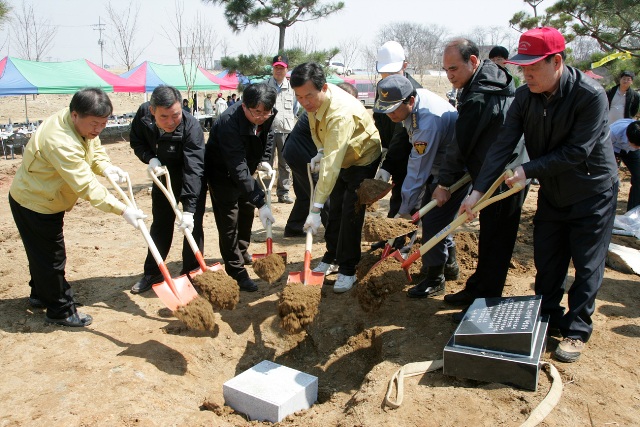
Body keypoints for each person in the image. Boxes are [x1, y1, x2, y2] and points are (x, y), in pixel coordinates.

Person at [459, 27, 619, 363]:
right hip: (553, 192)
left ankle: (576, 329)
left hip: (592, 192)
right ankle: (545, 315)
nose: (525, 74)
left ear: (557, 61)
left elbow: (577, 151)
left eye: (533, 68)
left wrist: (528, 170)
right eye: (522, 67)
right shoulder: (524, 96)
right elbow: (502, 145)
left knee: (587, 265)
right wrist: (476, 192)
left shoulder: (590, 96)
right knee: (548, 260)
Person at [9, 87, 145, 327]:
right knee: (52, 257)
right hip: (35, 202)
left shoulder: (84, 125)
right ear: (75, 115)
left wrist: (106, 167)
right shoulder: (60, 140)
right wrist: (123, 210)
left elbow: (94, 151)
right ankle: (60, 309)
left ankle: (40, 295)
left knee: (41, 252)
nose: (98, 129)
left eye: (103, 124)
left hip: (47, 197)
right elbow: (87, 187)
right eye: (95, 124)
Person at [434, 38, 528, 319]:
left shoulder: (480, 95)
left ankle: (484, 305)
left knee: (497, 242)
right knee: (489, 237)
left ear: (473, 62)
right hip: (490, 171)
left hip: (504, 177)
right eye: (445, 69)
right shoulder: (487, 82)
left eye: (454, 68)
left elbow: (460, 145)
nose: (450, 75)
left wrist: (443, 184)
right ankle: (476, 288)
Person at [290, 62, 381, 293]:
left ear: (323, 87)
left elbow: (332, 164)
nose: (304, 102)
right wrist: (320, 149)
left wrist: (315, 208)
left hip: (362, 157)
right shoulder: (313, 104)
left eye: (308, 96)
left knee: (351, 210)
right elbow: (316, 131)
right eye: (299, 97)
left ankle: (348, 268)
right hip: (340, 154)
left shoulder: (340, 113)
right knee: (336, 207)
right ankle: (332, 255)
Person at [374, 74, 463, 299]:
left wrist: (405, 211)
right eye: (386, 109)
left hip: (453, 170)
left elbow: (417, 171)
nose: (390, 114)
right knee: (439, 218)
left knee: (432, 220)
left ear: (410, 101)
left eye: (394, 109)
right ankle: (449, 265)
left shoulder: (426, 122)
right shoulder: (414, 102)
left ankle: (435, 279)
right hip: (441, 164)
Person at [129, 85, 207, 294]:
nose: (171, 122)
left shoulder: (192, 128)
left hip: (191, 176)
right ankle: (153, 272)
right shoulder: (143, 116)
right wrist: (150, 158)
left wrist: (189, 209)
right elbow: (136, 141)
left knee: (192, 226)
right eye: (164, 117)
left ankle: (191, 272)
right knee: (161, 224)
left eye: (176, 115)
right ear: (152, 111)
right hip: (163, 175)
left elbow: (194, 168)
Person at [205, 83, 277, 292]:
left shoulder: (266, 114)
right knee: (229, 221)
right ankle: (235, 270)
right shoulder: (229, 122)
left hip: (247, 169)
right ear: (244, 106)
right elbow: (236, 167)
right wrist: (261, 202)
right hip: (222, 173)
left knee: (246, 211)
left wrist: (264, 160)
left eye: (266, 112)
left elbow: (269, 136)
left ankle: (242, 250)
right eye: (257, 112)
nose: (262, 117)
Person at [281, 84, 362, 238]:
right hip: (301, 154)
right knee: (322, 193)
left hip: (295, 152)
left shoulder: (329, 109)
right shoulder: (325, 111)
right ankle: (334, 233)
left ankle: (294, 226)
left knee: (306, 195)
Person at [373, 41, 422, 220]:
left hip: (412, 154)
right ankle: (390, 238)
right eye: (385, 73)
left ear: (405, 65)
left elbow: (401, 133)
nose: (389, 77)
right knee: (397, 195)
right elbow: (379, 118)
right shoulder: (383, 88)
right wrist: (384, 148)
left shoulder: (413, 92)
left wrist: (387, 164)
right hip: (393, 153)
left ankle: (402, 242)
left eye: (393, 72)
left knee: (408, 196)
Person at [266, 54, 297, 204]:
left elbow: (295, 108)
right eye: (276, 67)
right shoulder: (265, 86)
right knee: (266, 163)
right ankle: (264, 192)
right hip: (268, 131)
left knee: (285, 164)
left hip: (286, 131)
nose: (278, 71)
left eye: (281, 68)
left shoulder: (292, 88)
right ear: (273, 69)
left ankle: (283, 193)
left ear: (287, 70)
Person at [610, 119, 640, 211]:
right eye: (637, 145)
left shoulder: (636, 142)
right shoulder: (613, 132)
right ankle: (609, 210)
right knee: (610, 179)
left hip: (632, 153)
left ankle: (633, 211)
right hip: (612, 149)